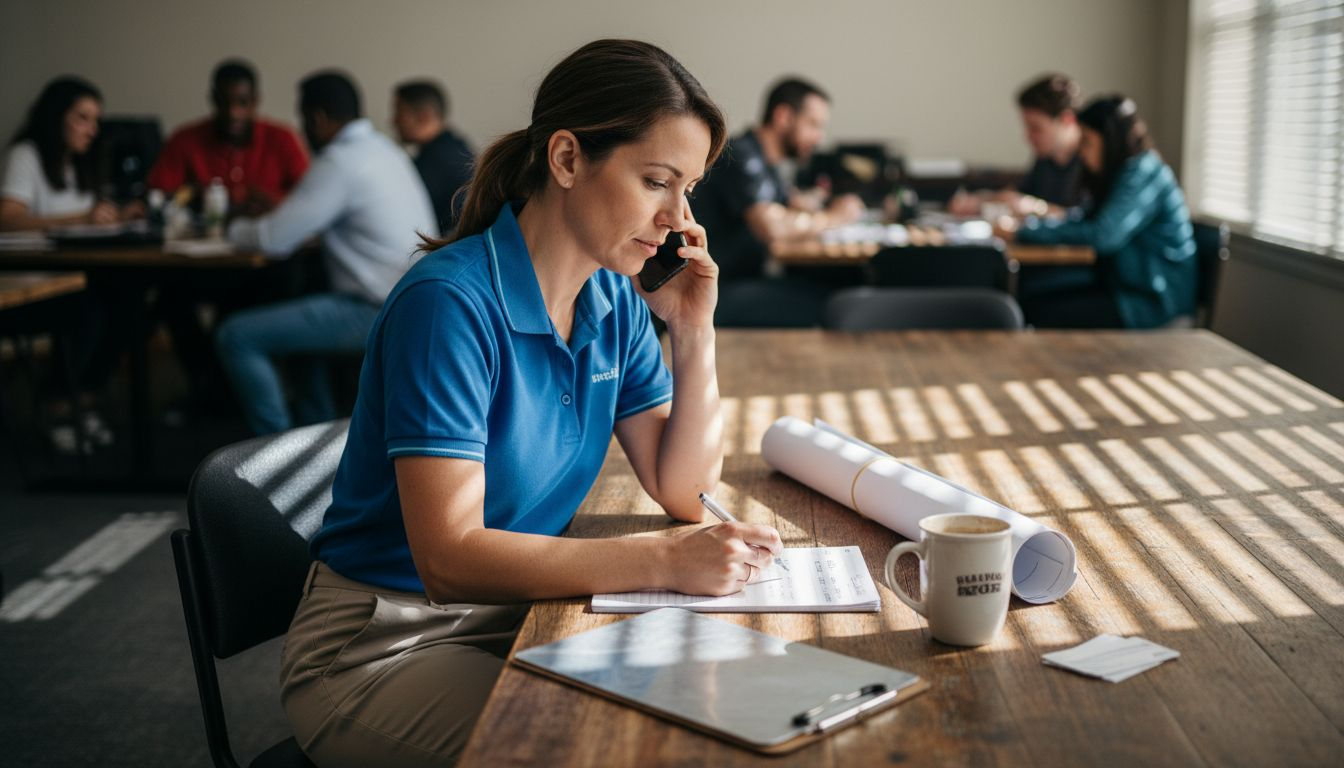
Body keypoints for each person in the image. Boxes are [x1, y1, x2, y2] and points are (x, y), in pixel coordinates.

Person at [279, 39, 782, 767]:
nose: (678, 217)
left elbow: (686, 490)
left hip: (515, 618)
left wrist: (691, 328)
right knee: (613, 746)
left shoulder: (612, 296)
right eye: (655, 181)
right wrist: (658, 561)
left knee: (711, 709)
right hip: (383, 648)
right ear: (568, 159)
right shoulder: (448, 304)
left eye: (689, 189)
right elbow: (449, 558)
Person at [216, 71, 435, 435]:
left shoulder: (339, 161)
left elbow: (272, 239)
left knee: (235, 335)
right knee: (303, 338)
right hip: (413, 300)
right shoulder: (385, 150)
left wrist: (228, 228)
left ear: (316, 118)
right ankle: (311, 453)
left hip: (376, 310)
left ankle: (273, 456)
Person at [1005, 95, 1197, 329]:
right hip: (1121, 287)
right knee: (1028, 294)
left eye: (1086, 141)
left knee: (1039, 310)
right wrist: (1032, 228)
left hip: (1151, 301)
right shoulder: (1119, 175)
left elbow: (1103, 235)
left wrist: (1024, 232)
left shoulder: (1143, 172)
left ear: (1109, 139)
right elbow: (1082, 218)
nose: (1082, 152)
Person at [690, 77, 863, 326]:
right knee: (837, 301)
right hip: (715, 290)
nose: (818, 138)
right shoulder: (742, 156)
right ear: (783, 116)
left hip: (738, 282)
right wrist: (834, 217)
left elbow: (787, 205)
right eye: (813, 124)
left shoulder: (764, 162)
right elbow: (772, 228)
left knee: (841, 285)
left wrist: (809, 204)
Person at [148, 59, 308, 216]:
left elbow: (310, 199)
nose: (233, 113)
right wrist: (193, 195)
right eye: (224, 102)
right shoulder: (184, 140)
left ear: (256, 101)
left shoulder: (281, 139)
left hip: (265, 238)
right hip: (198, 238)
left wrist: (268, 200)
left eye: (243, 102)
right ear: (213, 100)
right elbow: (156, 197)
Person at [1, 77, 140, 230]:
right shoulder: (25, 154)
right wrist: (82, 220)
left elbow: (87, 220)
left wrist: (119, 217)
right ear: (56, 117)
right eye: (83, 118)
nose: (93, 131)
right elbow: (7, 220)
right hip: (39, 254)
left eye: (96, 121)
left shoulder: (79, 162)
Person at [948, 73, 1085, 218]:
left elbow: (1087, 220)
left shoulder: (1091, 162)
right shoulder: (1045, 159)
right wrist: (979, 201)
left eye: (1036, 128)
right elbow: (1017, 195)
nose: (1028, 137)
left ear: (1067, 120)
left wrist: (1038, 208)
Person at [392, 79, 474, 234]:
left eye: (399, 113)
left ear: (424, 116)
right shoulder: (456, 147)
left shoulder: (435, 162)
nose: (393, 121)